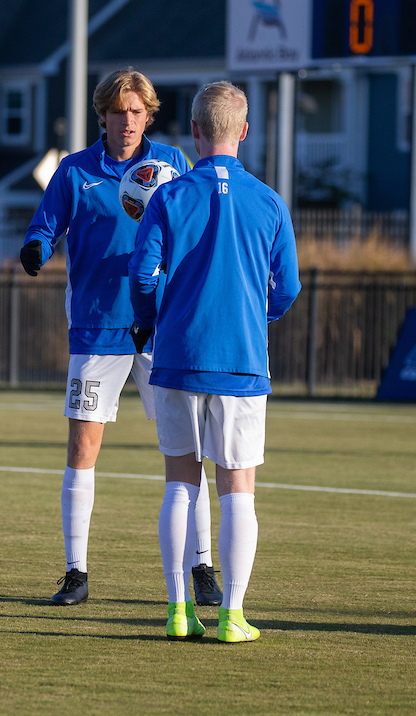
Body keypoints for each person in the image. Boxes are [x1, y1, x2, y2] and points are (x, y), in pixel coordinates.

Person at [21, 68, 223, 607]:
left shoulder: (174, 164)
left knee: (188, 448)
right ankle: (76, 572)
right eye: (117, 111)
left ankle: (203, 565)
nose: (127, 121)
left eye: (136, 111)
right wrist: (37, 247)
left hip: (163, 326)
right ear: (103, 115)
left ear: (148, 115)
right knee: (83, 446)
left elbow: (200, 221)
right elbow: (45, 226)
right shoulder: (73, 172)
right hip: (96, 326)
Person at [128, 81, 300, 642]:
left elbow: (142, 275)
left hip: (177, 357)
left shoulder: (170, 198)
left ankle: (179, 612)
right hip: (241, 362)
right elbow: (288, 287)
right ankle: (232, 615)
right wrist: (257, 314)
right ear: (244, 132)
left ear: (195, 134)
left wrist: (150, 320)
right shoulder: (270, 201)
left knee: (181, 482)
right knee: (238, 487)